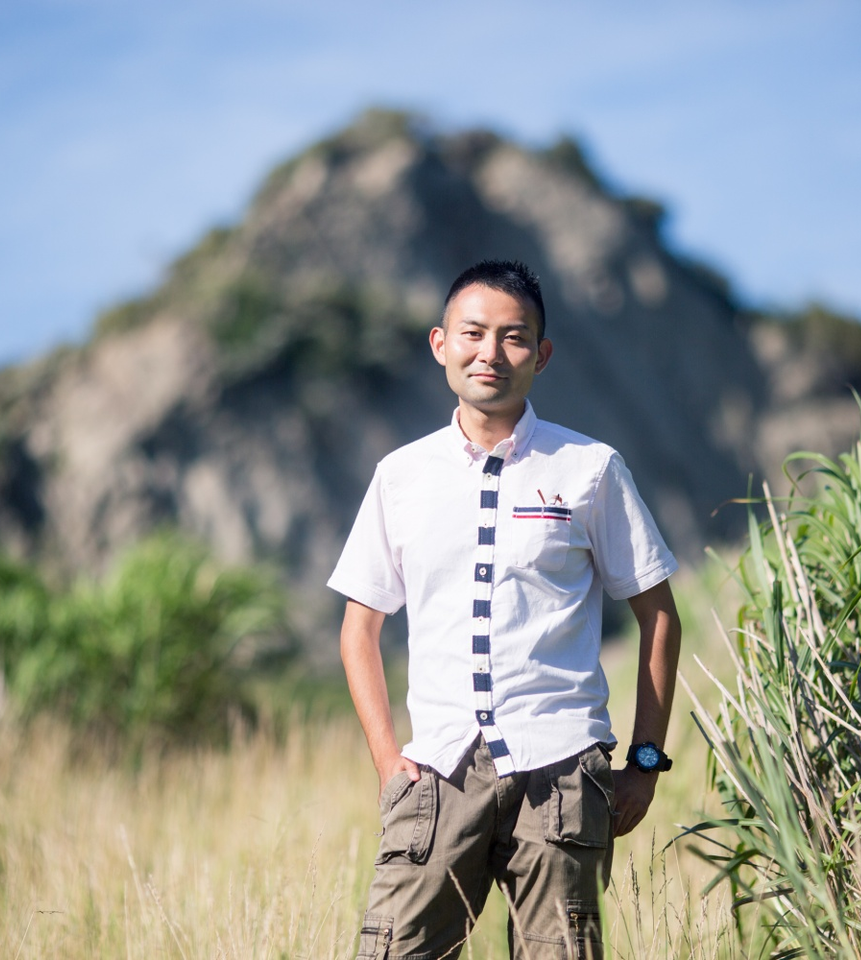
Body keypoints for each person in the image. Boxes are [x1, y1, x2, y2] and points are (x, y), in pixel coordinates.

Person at [328, 259, 682, 959]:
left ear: (541, 356)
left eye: (513, 337)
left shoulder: (590, 468)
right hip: (436, 773)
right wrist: (388, 763)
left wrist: (643, 762)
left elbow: (660, 615)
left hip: (562, 773)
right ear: (440, 344)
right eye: (473, 333)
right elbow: (359, 629)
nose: (490, 352)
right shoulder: (401, 476)